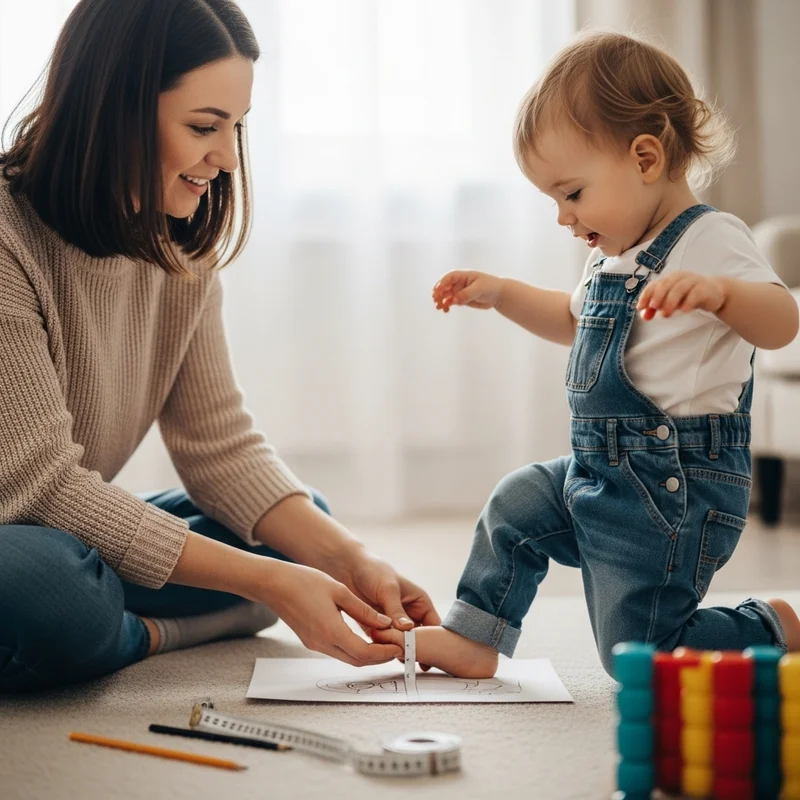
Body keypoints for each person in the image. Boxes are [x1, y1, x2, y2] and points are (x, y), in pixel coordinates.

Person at [0, 0, 439, 693]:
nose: (227, 157)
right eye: (205, 126)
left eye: (236, 127)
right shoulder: (6, 238)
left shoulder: (177, 245)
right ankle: (144, 633)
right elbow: (40, 487)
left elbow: (219, 447)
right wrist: (272, 583)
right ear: (113, 112)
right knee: (46, 586)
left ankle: (107, 620)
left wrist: (350, 562)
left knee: (304, 528)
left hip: (60, 528)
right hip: (22, 536)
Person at [373, 31, 800, 678]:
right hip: (600, 470)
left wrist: (721, 294)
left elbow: (781, 323)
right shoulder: (613, 257)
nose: (564, 218)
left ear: (647, 157)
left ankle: (773, 624)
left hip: (676, 487)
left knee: (637, 653)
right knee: (516, 506)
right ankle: (475, 634)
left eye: (572, 194)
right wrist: (503, 293)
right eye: (553, 201)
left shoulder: (714, 237)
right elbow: (574, 321)